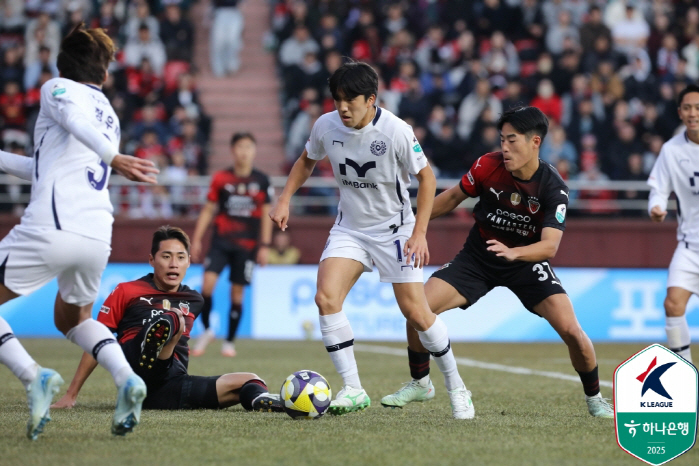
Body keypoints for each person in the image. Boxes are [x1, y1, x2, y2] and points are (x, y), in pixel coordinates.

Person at [380, 106, 614, 419]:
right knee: (416, 309)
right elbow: (451, 198)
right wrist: (411, 226)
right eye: (502, 139)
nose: (504, 147)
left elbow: (549, 246)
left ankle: (595, 400)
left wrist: (515, 252)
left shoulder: (553, 186)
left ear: (535, 142)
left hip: (526, 262)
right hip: (478, 258)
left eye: (512, 141)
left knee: (572, 331)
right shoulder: (487, 165)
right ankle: (421, 382)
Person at [269, 61, 472, 419]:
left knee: (417, 314)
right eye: (337, 100)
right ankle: (354, 388)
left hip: (395, 230)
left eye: (350, 100)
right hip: (350, 228)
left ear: (371, 99)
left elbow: (427, 179)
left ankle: (457, 388)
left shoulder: (395, 131)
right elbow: (306, 160)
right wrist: (284, 198)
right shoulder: (325, 126)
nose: (342, 108)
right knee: (325, 297)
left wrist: (419, 232)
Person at [0, 24, 159, 440]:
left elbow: (71, 119)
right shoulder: (108, 113)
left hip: (54, 224)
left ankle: (33, 375)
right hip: (95, 234)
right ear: (104, 75)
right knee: (70, 318)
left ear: (60, 65)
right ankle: (127, 379)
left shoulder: (58, 90)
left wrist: (115, 158)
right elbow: (41, 168)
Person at [51, 226, 283, 413]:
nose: (174, 264)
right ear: (152, 260)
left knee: (250, 380)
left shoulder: (194, 299)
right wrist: (71, 394)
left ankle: (264, 402)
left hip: (171, 387)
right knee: (173, 318)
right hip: (134, 370)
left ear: (188, 262)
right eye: (166, 256)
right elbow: (96, 342)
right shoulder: (125, 290)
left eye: (180, 257)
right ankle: (150, 351)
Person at [191, 132, 273, 357]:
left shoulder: (262, 181)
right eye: (240, 147)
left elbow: (267, 214)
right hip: (220, 242)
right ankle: (207, 330)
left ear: (254, 151)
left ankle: (229, 341)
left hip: (247, 247)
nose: (244, 151)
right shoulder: (221, 178)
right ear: (233, 150)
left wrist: (265, 246)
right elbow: (208, 209)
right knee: (207, 286)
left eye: (248, 147)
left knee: (237, 294)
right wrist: (197, 239)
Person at [647, 84, 699, 363]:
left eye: (698, 108)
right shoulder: (671, 150)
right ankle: (687, 375)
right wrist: (656, 207)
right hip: (690, 247)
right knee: (673, 304)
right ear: (680, 112)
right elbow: (658, 188)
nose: (693, 113)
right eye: (688, 108)